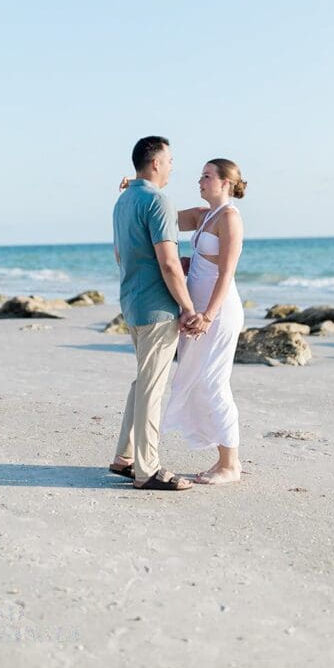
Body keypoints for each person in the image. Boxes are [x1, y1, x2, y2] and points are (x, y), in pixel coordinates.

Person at [110, 136, 196, 492]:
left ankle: (124, 457)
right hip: (157, 307)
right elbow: (168, 262)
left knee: (143, 381)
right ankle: (148, 469)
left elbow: (122, 254)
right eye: (171, 160)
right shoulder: (159, 201)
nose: (174, 166)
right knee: (152, 387)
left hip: (131, 301)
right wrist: (189, 307)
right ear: (156, 163)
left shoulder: (124, 199)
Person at [161, 159, 246, 485]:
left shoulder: (230, 219)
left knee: (214, 382)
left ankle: (230, 464)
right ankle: (222, 457)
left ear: (226, 183)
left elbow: (226, 273)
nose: (200, 180)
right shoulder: (203, 214)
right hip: (197, 313)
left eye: (207, 176)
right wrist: (139, 189)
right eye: (201, 176)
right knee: (193, 380)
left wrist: (208, 315)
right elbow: (165, 217)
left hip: (219, 313)